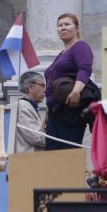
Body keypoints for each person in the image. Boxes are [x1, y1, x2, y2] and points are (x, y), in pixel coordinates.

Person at [43, 13, 93, 150]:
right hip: (56, 112)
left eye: (67, 24)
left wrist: (76, 91)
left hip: (69, 110)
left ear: (76, 29)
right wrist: (47, 115)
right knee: (53, 155)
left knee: (66, 154)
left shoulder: (80, 46)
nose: (63, 28)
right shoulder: (62, 54)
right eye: (60, 25)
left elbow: (85, 69)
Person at [14, 71, 46, 153]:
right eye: (42, 85)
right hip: (28, 161)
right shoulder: (23, 106)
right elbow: (38, 138)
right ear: (31, 87)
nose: (45, 90)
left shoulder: (28, 106)